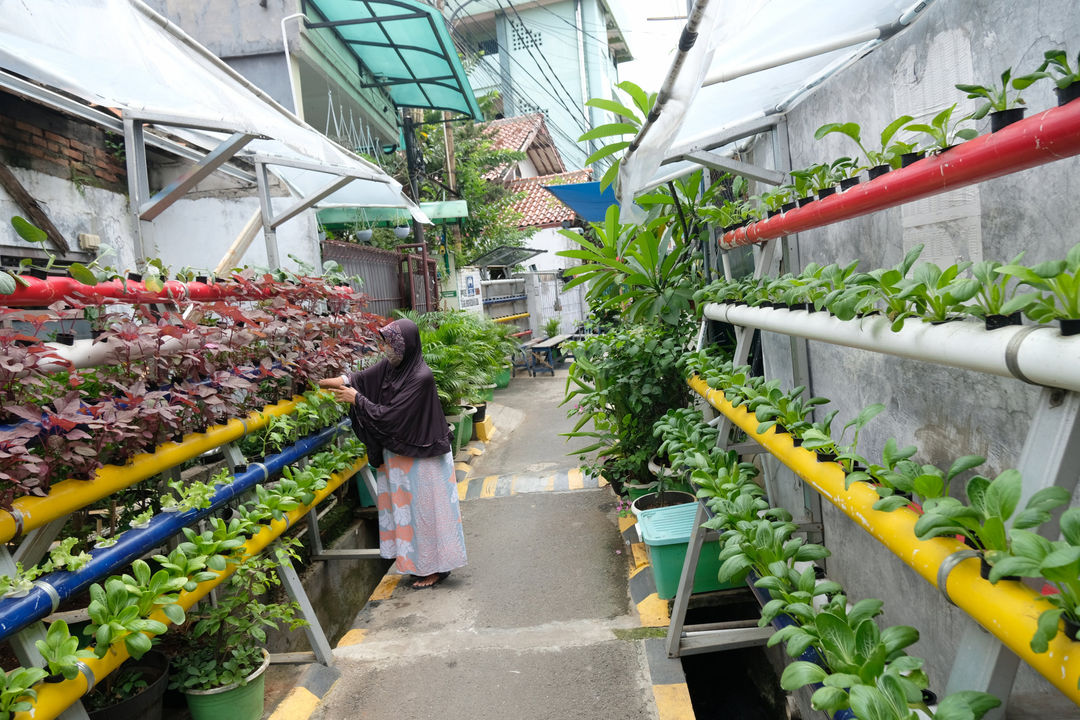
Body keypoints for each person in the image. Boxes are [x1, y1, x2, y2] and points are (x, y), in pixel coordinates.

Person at [319, 318, 467, 588]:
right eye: (385, 342)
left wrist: (357, 400)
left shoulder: (421, 377)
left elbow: (391, 417)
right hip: (400, 458)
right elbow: (361, 379)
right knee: (408, 514)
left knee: (426, 513)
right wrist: (332, 381)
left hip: (423, 460)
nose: (385, 348)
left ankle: (435, 568)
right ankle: (419, 566)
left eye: (390, 343)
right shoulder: (393, 367)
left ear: (405, 345)